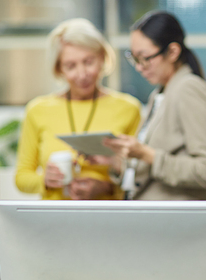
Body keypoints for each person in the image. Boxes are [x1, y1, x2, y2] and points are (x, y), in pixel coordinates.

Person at [98, 10, 206, 200]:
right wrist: (114, 162)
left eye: (145, 58)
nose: (139, 67)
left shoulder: (189, 88)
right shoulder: (160, 93)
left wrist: (146, 154)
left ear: (172, 52)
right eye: (134, 58)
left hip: (176, 221)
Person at [15, 18, 142, 200]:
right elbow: (22, 178)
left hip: (109, 220)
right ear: (58, 69)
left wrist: (106, 187)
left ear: (102, 58)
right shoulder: (38, 110)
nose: (82, 74)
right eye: (71, 66)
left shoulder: (129, 108)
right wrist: (45, 180)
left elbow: (140, 176)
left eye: (89, 62)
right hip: (53, 221)